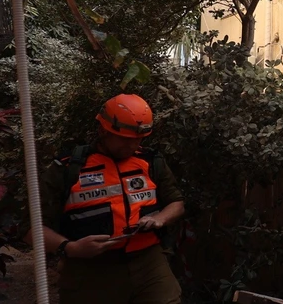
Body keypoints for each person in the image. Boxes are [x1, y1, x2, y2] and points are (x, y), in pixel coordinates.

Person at [40, 94, 185, 304]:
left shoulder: (151, 161)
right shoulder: (68, 168)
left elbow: (176, 203)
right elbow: (31, 226)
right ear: (103, 131)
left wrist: (160, 219)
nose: (132, 145)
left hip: (148, 262)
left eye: (138, 139)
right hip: (90, 270)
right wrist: (69, 248)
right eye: (125, 139)